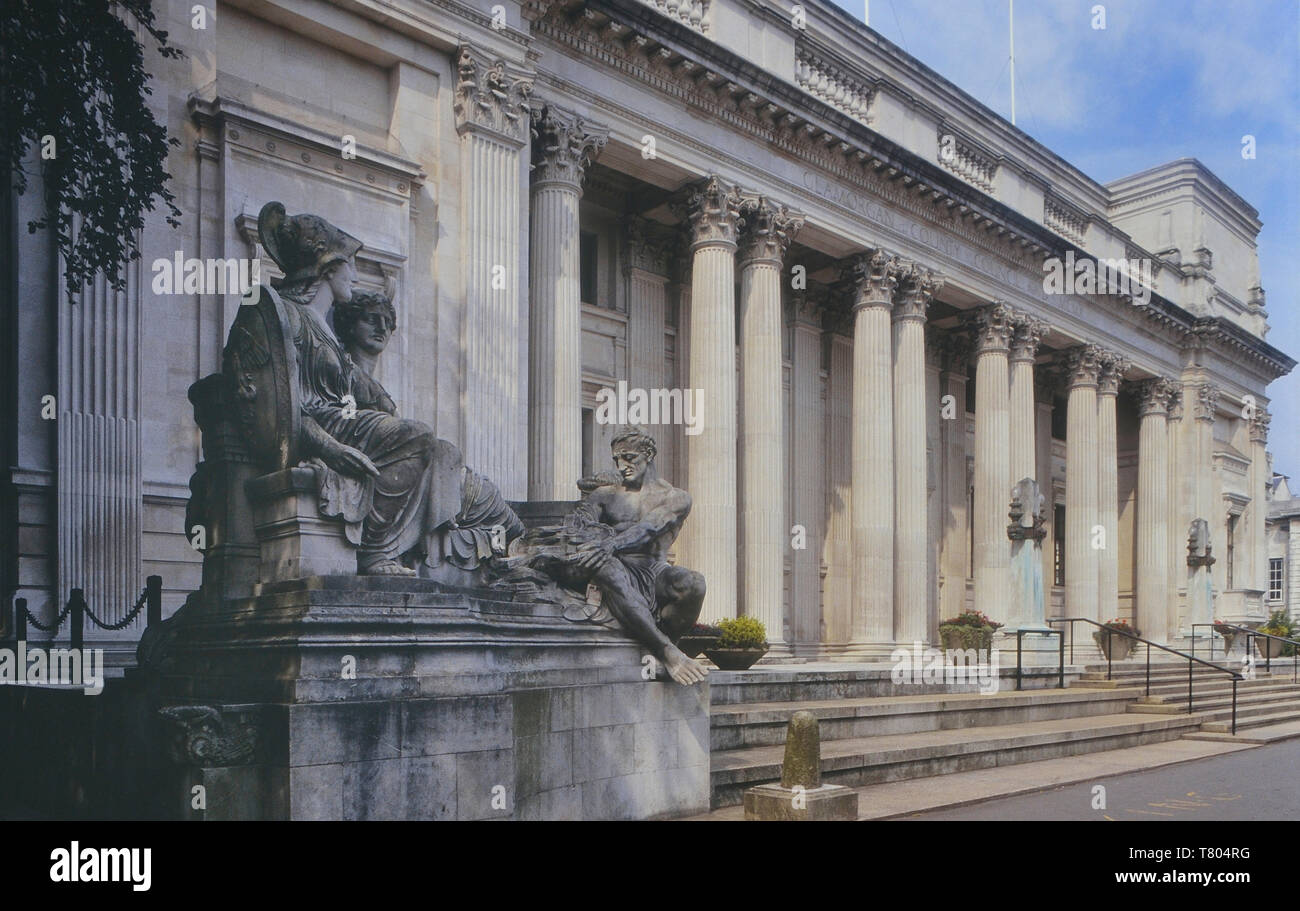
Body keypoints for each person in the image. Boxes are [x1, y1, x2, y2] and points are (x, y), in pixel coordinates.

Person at [256, 201, 519, 575]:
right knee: (417, 436)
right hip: (326, 425)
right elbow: (286, 403)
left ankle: (414, 545)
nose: (354, 278)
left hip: (344, 422)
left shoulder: (323, 330)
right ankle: (377, 551)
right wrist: (330, 447)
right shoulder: (291, 318)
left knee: (427, 443)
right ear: (328, 269)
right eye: (349, 268)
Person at [504, 428, 709, 685]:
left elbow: (650, 528)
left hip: (652, 570)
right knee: (605, 565)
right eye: (617, 460)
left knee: (694, 583)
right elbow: (579, 526)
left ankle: (666, 644)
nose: (622, 466)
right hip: (611, 566)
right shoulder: (605, 496)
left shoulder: (675, 498)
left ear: (649, 455)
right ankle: (667, 652)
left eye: (630, 458)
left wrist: (611, 543)